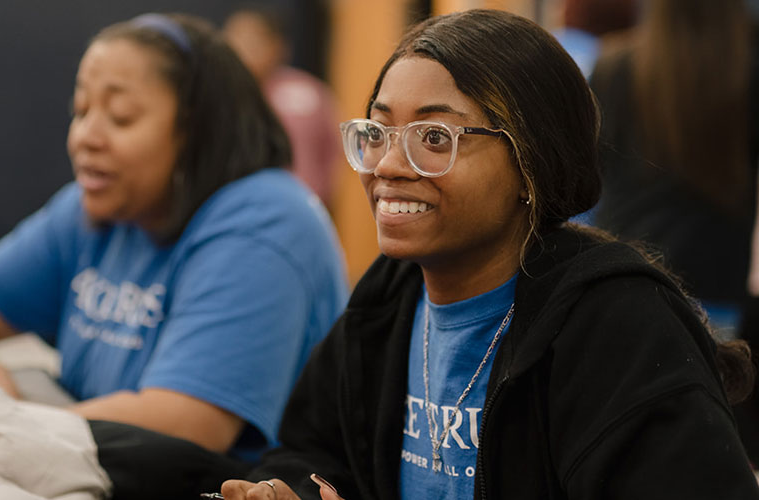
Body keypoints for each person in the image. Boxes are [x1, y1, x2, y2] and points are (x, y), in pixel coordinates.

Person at [219, 9, 759, 500]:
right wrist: (291, 492)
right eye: (378, 131)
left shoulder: (615, 324)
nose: (385, 165)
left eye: (434, 137)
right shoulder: (388, 297)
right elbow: (309, 453)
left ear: (531, 162)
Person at [0, 13, 348, 463]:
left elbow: (184, 426)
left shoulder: (266, 223)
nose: (85, 136)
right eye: (81, 110)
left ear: (195, 132)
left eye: (119, 117)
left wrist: (3, 414)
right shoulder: (98, 208)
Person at [590, 0, 756, 335]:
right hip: (719, 279)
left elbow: (591, 172)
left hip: (624, 273)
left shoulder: (614, 64)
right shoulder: (747, 70)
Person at [223, 6, 340, 207]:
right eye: (236, 40)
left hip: (308, 204)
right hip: (239, 209)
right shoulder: (217, 97)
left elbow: (333, 152)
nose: (243, 49)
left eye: (254, 40)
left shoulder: (309, 93)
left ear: (278, 46)